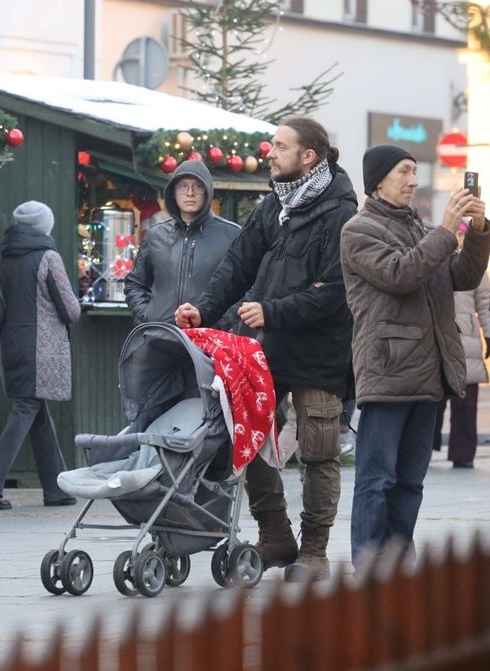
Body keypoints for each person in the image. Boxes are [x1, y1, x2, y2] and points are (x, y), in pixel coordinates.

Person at [175, 117, 357, 582]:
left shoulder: (339, 213)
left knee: (318, 452)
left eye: (279, 146)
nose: (269, 152)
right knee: (249, 440)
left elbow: (333, 290)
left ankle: (314, 551)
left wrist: (272, 311)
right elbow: (238, 265)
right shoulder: (274, 205)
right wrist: (205, 309)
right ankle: (275, 534)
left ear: (308, 156)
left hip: (319, 354)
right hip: (266, 350)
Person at [341, 144, 488, 566]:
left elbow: (461, 274)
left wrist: (476, 230)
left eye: (414, 172)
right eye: (405, 172)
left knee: (410, 482)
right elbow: (400, 274)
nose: (413, 180)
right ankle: (369, 567)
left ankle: (399, 566)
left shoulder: (419, 229)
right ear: (379, 179)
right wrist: (445, 231)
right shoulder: (359, 229)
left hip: (429, 373)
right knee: (377, 480)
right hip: (388, 371)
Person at [0, 201, 82, 511]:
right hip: (41, 350)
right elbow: (71, 309)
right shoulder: (48, 257)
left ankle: (55, 489)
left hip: (10, 345)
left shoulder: (2, 259)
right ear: (44, 227)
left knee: (36, 413)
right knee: (27, 407)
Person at [125, 159, 241, 327]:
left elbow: (247, 291)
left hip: (209, 342)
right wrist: (147, 316)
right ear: (173, 191)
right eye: (182, 186)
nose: (190, 193)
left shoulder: (232, 235)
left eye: (198, 186)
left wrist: (222, 323)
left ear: (207, 191)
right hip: (159, 337)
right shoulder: (155, 235)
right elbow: (135, 284)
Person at [432, 271, 490, 469]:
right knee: (431, 400)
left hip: (467, 340)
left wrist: (489, 334)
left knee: (466, 401)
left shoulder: (475, 262)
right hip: (435, 337)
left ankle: (463, 454)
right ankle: (425, 447)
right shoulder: (430, 255)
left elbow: (485, 303)